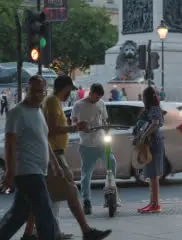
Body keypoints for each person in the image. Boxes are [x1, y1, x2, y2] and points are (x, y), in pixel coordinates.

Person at [22, 75, 112, 240]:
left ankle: (34, 233)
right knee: (70, 191)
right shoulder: (52, 102)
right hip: (53, 153)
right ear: (63, 88)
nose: (70, 94)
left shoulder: (54, 102)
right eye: (69, 90)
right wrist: (74, 127)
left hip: (54, 152)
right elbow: (51, 128)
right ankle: (86, 231)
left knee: (44, 196)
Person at [0, 75, 60, 240]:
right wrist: (10, 172)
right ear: (27, 90)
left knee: (18, 214)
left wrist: (55, 164)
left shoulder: (38, 111)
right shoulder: (16, 113)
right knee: (45, 214)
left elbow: (43, 138)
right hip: (27, 171)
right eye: (34, 91)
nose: (38, 95)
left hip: (38, 170)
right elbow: (9, 144)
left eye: (41, 92)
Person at [71, 83, 118, 215]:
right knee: (86, 174)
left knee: (112, 162)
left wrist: (108, 127)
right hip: (86, 144)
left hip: (102, 141)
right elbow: (73, 121)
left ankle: (111, 190)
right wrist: (80, 127)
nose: (96, 100)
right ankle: (86, 200)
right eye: (95, 97)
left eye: (99, 98)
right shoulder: (78, 105)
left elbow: (105, 119)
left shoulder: (101, 104)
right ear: (90, 93)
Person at [135, 87, 165, 213]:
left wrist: (143, 135)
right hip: (152, 142)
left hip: (153, 142)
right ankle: (152, 202)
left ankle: (155, 204)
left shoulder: (153, 108)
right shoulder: (155, 107)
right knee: (151, 176)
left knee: (153, 176)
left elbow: (155, 123)